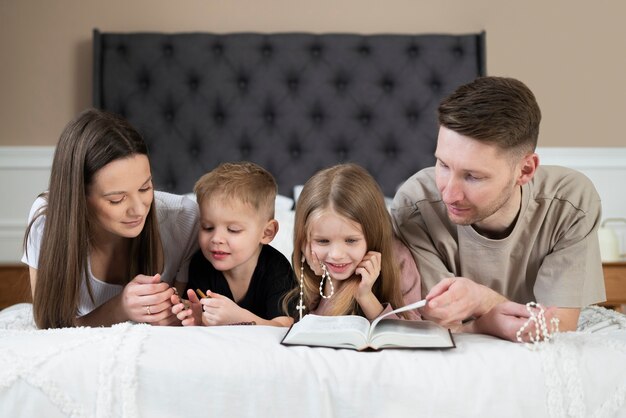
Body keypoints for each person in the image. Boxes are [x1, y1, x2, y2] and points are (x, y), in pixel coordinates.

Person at [391, 76, 606, 341]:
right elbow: (442, 321)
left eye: (473, 176)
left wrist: (483, 301)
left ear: (525, 170)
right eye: (443, 165)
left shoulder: (571, 204)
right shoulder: (414, 206)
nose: (449, 193)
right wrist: (486, 320)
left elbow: (558, 325)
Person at [22, 108, 199, 329]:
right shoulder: (46, 221)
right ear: (79, 197)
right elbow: (49, 324)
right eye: (117, 199)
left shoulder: (186, 220)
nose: (138, 210)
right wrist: (119, 309)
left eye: (145, 188)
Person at [284, 163, 422, 321]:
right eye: (322, 241)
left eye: (351, 240)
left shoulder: (399, 261)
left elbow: (410, 333)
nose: (336, 255)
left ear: (373, 234)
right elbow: (312, 327)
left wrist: (365, 296)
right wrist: (327, 281)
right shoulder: (306, 261)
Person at [172, 162, 295, 327]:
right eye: (207, 227)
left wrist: (240, 317)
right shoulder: (200, 264)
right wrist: (194, 316)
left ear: (267, 233)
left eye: (233, 230)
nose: (216, 239)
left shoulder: (278, 269)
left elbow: (284, 326)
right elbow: (199, 319)